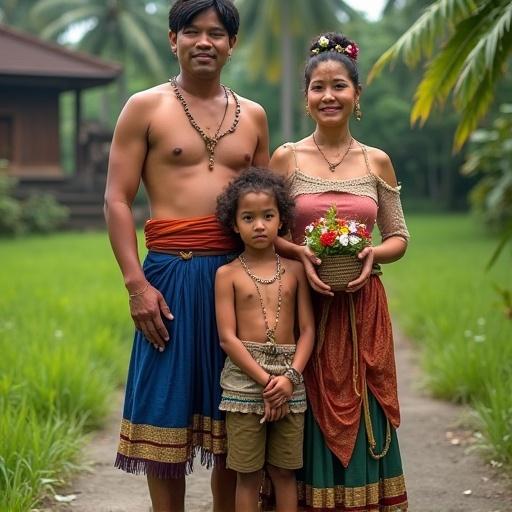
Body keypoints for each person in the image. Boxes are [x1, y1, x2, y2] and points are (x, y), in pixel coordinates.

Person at [103, 0, 269, 509]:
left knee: (232, 416)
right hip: (168, 278)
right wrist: (136, 284)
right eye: (191, 32)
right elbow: (116, 198)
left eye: (215, 33)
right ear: (172, 40)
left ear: (231, 44)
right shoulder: (145, 107)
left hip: (235, 278)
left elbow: (267, 204)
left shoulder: (254, 116)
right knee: (166, 416)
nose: (204, 41)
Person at [269, 32, 409, 511]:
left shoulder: (377, 161)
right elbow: (266, 231)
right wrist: (298, 252)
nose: (329, 96)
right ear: (306, 98)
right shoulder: (286, 157)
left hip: (362, 308)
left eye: (339, 86)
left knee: (365, 402)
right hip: (301, 306)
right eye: (318, 88)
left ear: (356, 95)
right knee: (298, 407)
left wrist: (373, 256)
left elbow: (398, 237)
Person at [214, 168, 315, 512]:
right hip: (244, 384)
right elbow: (228, 338)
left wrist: (289, 379)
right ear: (234, 224)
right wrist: (267, 381)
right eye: (248, 217)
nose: (259, 225)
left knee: (285, 472)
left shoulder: (296, 270)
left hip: (290, 380)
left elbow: (308, 331)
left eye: (268, 216)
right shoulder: (226, 274)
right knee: (248, 474)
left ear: (281, 220)